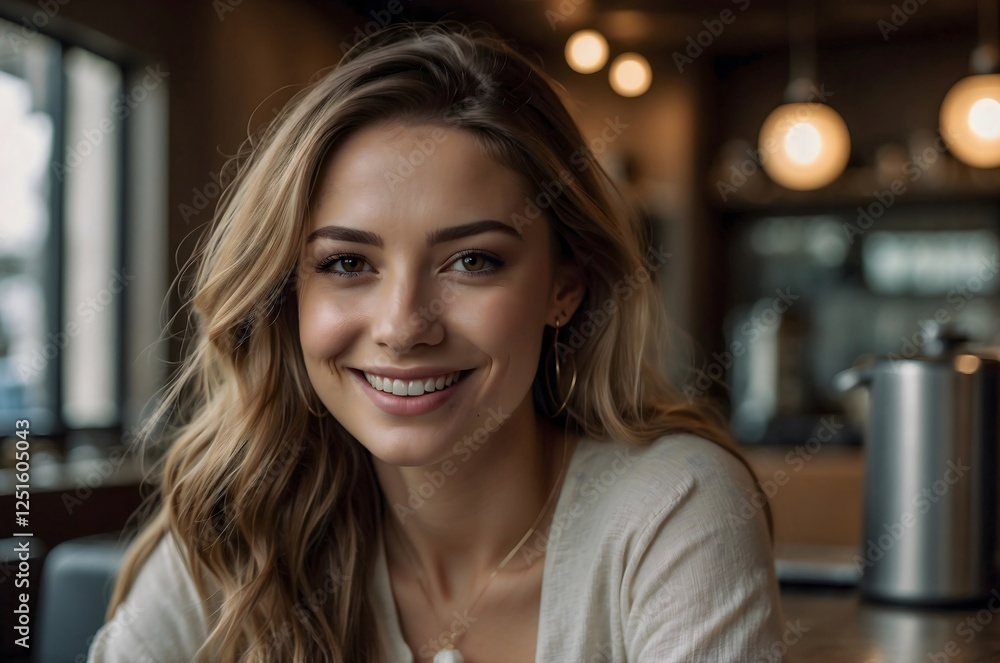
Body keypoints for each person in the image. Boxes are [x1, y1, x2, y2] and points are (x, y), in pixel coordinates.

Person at [88, 22, 784, 663]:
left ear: (563, 288)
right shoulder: (239, 529)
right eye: (347, 263)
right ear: (287, 293)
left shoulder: (670, 510)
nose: (401, 325)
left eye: (472, 261)